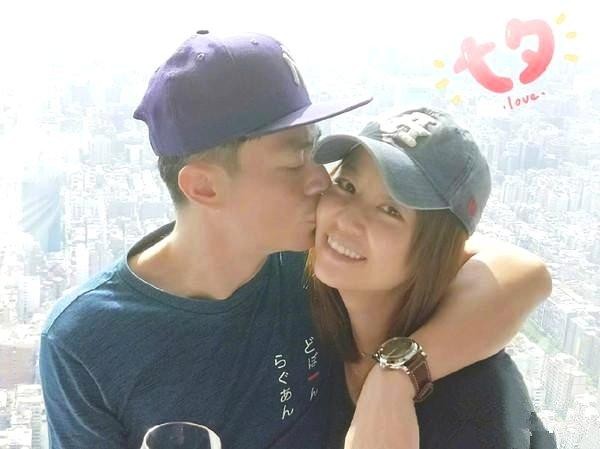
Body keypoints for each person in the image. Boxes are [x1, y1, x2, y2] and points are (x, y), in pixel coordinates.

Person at [39, 32, 551, 449]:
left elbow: (521, 272)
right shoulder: (87, 339)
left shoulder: (313, 261)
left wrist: (397, 374)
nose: (321, 180)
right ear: (205, 187)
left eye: (315, 152)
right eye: (293, 161)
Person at [308, 107, 557, 449]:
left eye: (390, 210)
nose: (347, 220)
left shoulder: (476, 409)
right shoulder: (309, 317)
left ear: (438, 250)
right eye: (347, 185)